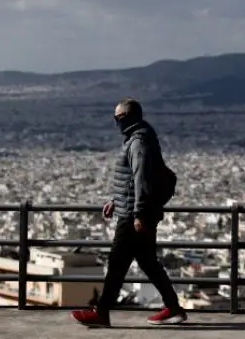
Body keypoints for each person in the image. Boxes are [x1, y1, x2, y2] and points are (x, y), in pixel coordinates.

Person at [71, 97, 187, 328]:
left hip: (133, 216)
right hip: (133, 211)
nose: (116, 122)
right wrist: (116, 199)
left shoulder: (138, 142)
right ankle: (174, 308)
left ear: (127, 117)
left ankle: (101, 313)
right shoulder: (140, 138)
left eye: (118, 118)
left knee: (116, 264)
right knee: (148, 263)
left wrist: (139, 214)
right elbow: (133, 181)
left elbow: (141, 179)